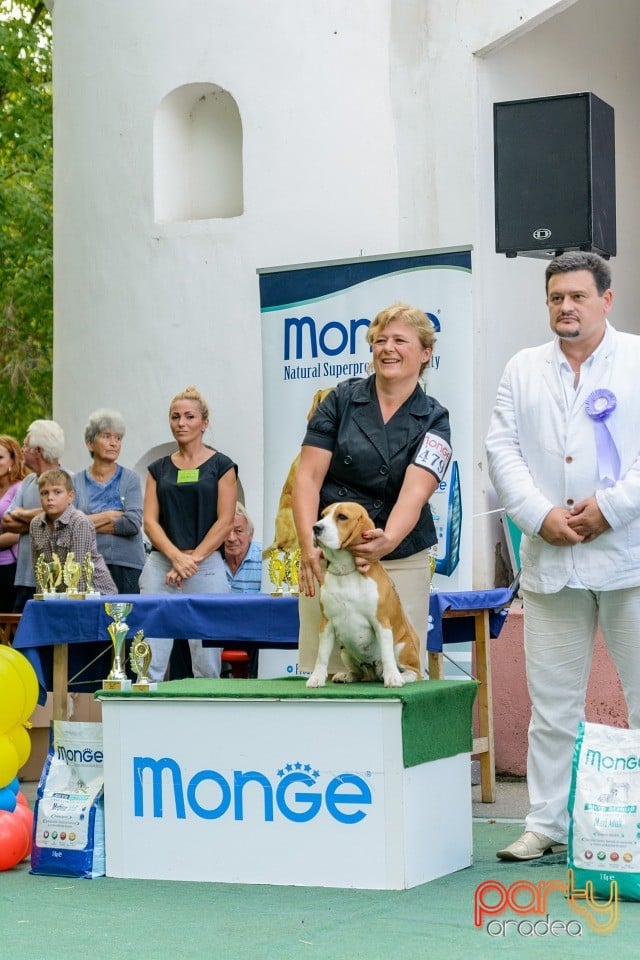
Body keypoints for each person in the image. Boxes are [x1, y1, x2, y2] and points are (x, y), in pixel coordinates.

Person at [486, 250, 640, 861]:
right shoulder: (522, 369)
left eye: (577, 296)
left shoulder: (638, 359)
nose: (565, 308)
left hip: (629, 557)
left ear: (606, 299)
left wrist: (614, 507)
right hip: (551, 560)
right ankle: (547, 824)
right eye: (555, 298)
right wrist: (537, 514)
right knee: (551, 708)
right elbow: (501, 449)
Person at [292, 302, 452, 675]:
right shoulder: (338, 400)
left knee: (401, 674)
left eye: (400, 340)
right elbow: (308, 477)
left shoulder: (435, 417)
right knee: (329, 673)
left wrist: (387, 540)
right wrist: (307, 546)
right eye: (380, 340)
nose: (387, 348)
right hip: (331, 558)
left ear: (425, 353)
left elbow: (416, 491)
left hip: (401, 557)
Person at [140, 385, 237, 681]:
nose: (181, 423)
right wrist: (175, 558)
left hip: (205, 566)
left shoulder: (222, 466)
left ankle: (207, 720)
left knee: (207, 658)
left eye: (189, 416)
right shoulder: (158, 469)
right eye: (175, 417)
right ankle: (145, 719)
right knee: (150, 658)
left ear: (204, 423)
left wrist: (191, 561)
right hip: (161, 565)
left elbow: (225, 521)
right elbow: (150, 522)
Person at [72, 409, 146, 593]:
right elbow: (68, 527)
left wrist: (85, 522)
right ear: (90, 443)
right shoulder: (75, 482)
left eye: (118, 438)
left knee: (126, 620)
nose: (114, 443)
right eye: (106, 436)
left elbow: (132, 524)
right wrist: (110, 515)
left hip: (127, 566)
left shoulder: (130, 479)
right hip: (86, 566)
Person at [1, 419, 66, 611]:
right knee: (21, 639)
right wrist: (45, 516)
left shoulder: (68, 480)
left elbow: (64, 517)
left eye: (25, 446)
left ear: (38, 450)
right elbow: (7, 521)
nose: (21, 449)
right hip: (25, 579)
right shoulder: (28, 482)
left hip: (57, 582)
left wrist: (22, 514)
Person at [29, 469, 117, 595]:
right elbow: (39, 570)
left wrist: (74, 605)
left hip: (95, 593)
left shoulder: (79, 522)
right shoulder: (36, 524)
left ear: (70, 496)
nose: (50, 498)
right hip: (60, 595)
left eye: (57, 492)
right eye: (44, 493)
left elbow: (78, 571)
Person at [222, 502, 263, 677]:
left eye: (238, 531)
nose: (231, 538)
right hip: (219, 629)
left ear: (250, 534)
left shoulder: (265, 559)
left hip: (253, 629)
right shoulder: (210, 561)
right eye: (225, 532)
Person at [0, 436, 29, 612]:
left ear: (13, 459)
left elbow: (19, 532)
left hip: (9, 567)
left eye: (0, 457)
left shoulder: (20, 488)